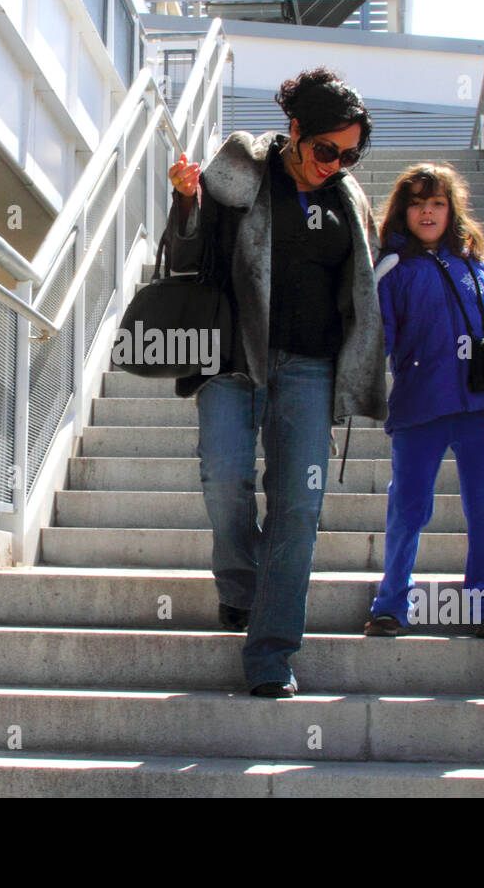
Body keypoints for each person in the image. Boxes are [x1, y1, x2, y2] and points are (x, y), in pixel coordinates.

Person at [165, 68, 389, 697]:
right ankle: (241, 585)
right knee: (223, 477)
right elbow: (186, 258)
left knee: (298, 507)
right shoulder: (238, 168)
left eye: (351, 154)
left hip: (311, 369)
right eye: (326, 150)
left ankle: (271, 653)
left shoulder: (348, 200)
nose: (337, 164)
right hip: (231, 358)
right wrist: (188, 199)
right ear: (294, 130)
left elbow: (362, 290)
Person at [363, 163, 484, 639]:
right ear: (402, 211)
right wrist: (350, 385)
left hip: (482, 405)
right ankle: (391, 604)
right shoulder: (392, 270)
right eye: (418, 203)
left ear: (452, 211)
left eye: (438, 203)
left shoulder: (474, 267)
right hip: (420, 406)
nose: (428, 211)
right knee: (408, 507)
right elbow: (379, 336)